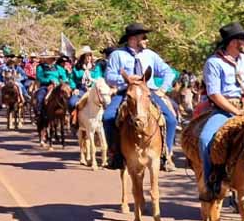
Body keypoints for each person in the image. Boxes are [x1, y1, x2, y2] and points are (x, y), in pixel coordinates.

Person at [103, 23, 178, 170]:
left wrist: (163, 89)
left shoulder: (150, 55)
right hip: (126, 91)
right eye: (143, 37)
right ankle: (115, 155)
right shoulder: (117, 55)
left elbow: (168, 72)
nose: (146, 40)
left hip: (147, 92)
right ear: (133, 38)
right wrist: (126, 79)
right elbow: (109, 76)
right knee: (108, 117)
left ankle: (166, 155)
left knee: (171, 120)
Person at [198, 22, 244, 201]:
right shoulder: (214, 63)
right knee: (205, 139)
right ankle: (212, 180)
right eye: (243, 39)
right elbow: (215, 94)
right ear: (232, 42)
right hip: (225, 107)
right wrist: (236, 112)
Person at [69, 46, 103, 111]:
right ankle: (73, 116)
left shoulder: (95, 67)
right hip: (81, 89)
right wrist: (74, 88)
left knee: (105, 101)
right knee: (71, 103)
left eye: (90, 55)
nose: (89, 57)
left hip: (94, 90)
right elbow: (72, 79)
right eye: (87, 55)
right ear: (83, 56)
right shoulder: (77, 68)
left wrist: (91, 87)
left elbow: (98, 79)